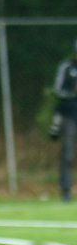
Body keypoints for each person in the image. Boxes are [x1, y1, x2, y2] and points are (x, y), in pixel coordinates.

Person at [52, 39, 77, 202]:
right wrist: (73, 94)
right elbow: (57, 90)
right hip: (70, 115)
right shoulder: (67, 67)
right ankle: (66, 191)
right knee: (67, 154)